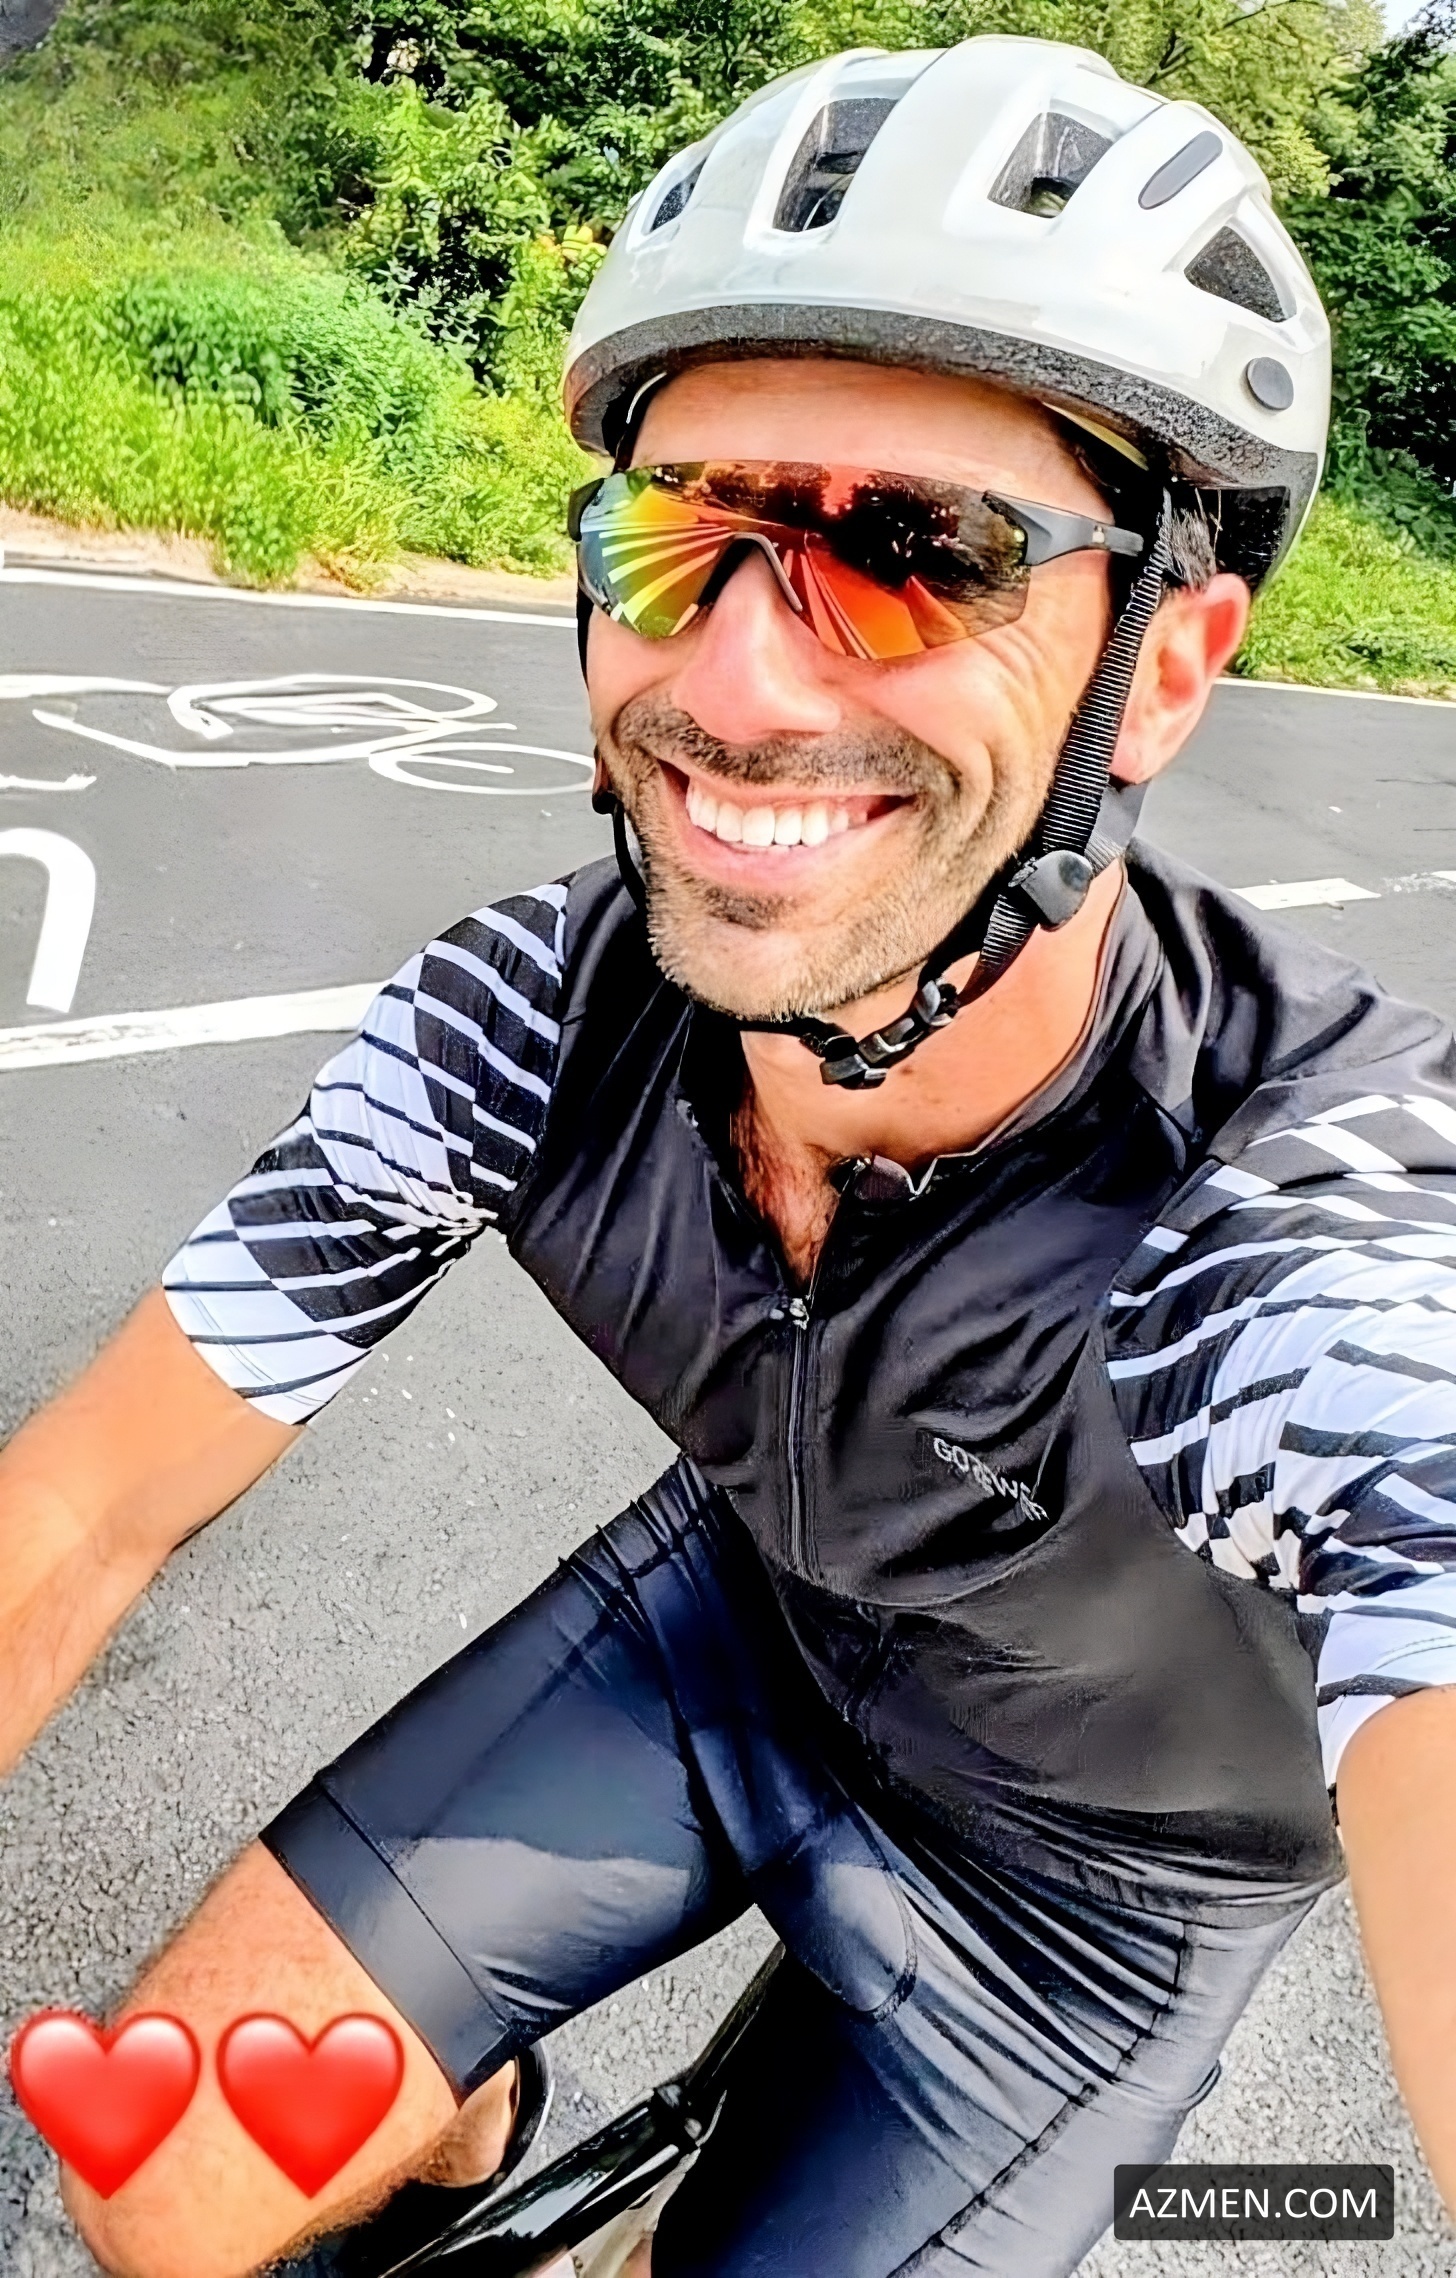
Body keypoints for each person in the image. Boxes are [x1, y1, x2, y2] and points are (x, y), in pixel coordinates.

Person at [6, 34, 1456, 2278]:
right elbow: (81, 1507)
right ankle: (463, 2115)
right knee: (154, 2189)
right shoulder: (523, 1025)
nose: (748, 688)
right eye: (684, 537)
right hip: (737, 1638)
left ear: (1163, 669)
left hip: (1087, 1917)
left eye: (921, 553)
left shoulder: (1294, 1226)